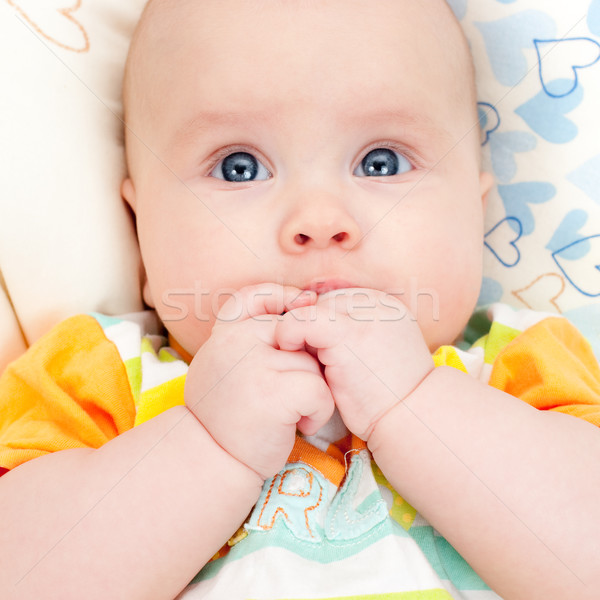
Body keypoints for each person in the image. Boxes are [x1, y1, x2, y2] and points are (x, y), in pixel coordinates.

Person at [1, 0, 600, 598]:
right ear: (141, 233)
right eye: (239, 167)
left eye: (381, 162)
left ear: (477, 213)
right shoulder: (100, 369)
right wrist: (207, 444)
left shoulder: (518, 365)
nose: (318, 220)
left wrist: (417, 405)